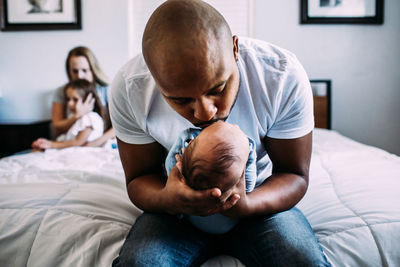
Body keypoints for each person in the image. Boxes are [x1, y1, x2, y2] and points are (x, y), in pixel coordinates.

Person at [110, 0, 330, 266]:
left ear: (235, 49)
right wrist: (168, 199)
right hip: (175, 214)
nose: (205, 113)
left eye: (218, 88)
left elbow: (294, 175)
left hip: (260, 201)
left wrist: (246, 205)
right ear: (153, 77)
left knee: (302, 261)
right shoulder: (130, 88)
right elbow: (138, 179)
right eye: (181, 100)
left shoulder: (280, 76)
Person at [165, 121, 257, 234]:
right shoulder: (236, 194)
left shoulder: (184, 186)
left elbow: (170, 164)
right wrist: (249, 155)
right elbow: (249, 186)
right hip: (231, 225)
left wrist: (178, 167)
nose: (235, 125)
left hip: (194, 224)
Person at [52, 46, 115, 147]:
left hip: (97, 143)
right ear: (69, 71)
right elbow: (57, 128)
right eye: (75, 71)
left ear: (93, 70)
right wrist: (77, 116)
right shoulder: (61, 92)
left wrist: (93, 144)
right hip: (69, 143)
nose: (79, 76)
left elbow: (118, 127)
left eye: (84, 70)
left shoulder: (107, 90)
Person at [32, 79, 105, 150]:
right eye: (68, 99)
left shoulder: (90, 118)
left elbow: (79, 142)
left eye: (75, 99)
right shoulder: (74, 117)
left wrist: (51, 144)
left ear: (88, 100)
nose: (69, 103)